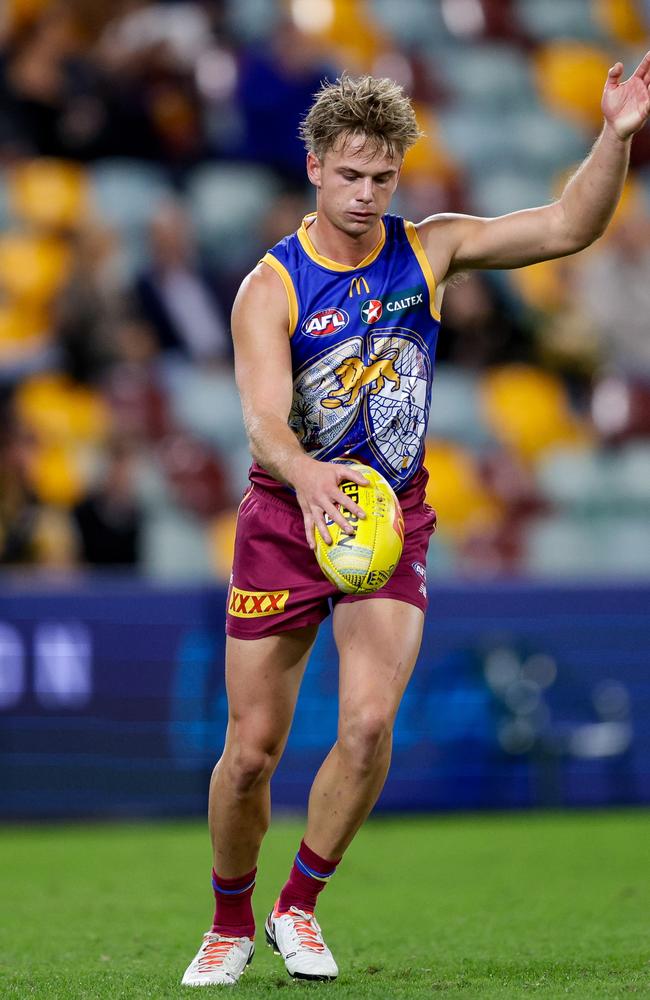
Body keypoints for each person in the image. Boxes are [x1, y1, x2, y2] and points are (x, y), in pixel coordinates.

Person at [182, 58, 650, 986]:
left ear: (400, 176)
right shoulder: (269, 288)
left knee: (365, 729)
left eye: (382, 178)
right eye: (349, 174)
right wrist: (310, 477)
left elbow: (567, 227)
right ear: (314, 167)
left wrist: (616, 137)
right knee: (249, 755)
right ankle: (228, 922)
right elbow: (264, 421)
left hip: (388, 523)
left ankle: (296, 911)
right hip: (285, 518)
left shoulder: (427, 249)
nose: (364, 194)